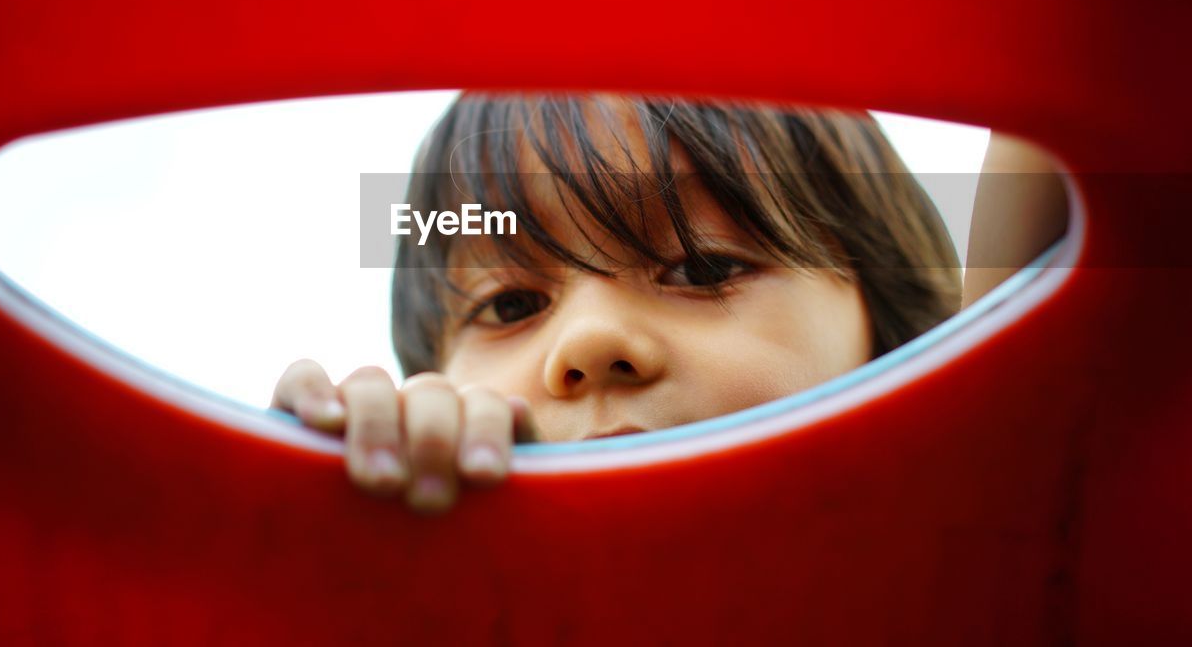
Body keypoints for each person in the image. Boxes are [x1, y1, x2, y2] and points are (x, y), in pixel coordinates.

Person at [271, 94, 1067, 513]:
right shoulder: (434, 607)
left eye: (702, 268)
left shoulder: (984, 541)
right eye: (510, 305)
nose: (588, 340)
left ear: (897, 338)